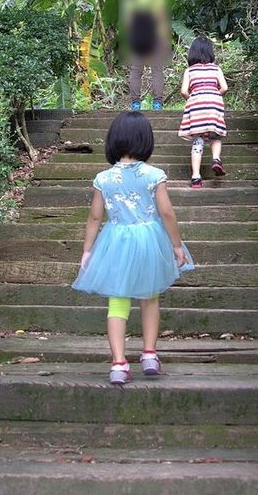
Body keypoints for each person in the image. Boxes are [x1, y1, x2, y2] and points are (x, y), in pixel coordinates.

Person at [73, 111, 193, 385]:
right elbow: (167, 214)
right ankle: (149, 355)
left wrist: (87, 250)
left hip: (116, 241)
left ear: (113, 140)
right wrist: (176, 246)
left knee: (117, 301)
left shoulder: (103, 178)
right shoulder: (154, 175)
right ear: (145, 141)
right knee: (149, 297)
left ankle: (118, 364)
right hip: (149, 240)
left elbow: (94, 217)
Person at [177, 35, 228, 189]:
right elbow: (225, 87)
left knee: (198, 140)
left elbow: (183, 91)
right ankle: (216, 159)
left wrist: (192, 98)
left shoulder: (189, 71)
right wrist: (214, 95)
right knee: (215, 135)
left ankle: (196, 178)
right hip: (214, 102)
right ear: (210, 52)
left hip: (196, 103)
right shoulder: (216, 68)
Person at [124, 0, 171, 111]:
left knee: (136, 70)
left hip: (137, 37)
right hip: (154, 37)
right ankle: (157, 104)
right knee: (156, 70)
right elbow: (161, 19)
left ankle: (135, 103)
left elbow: (128, 21)